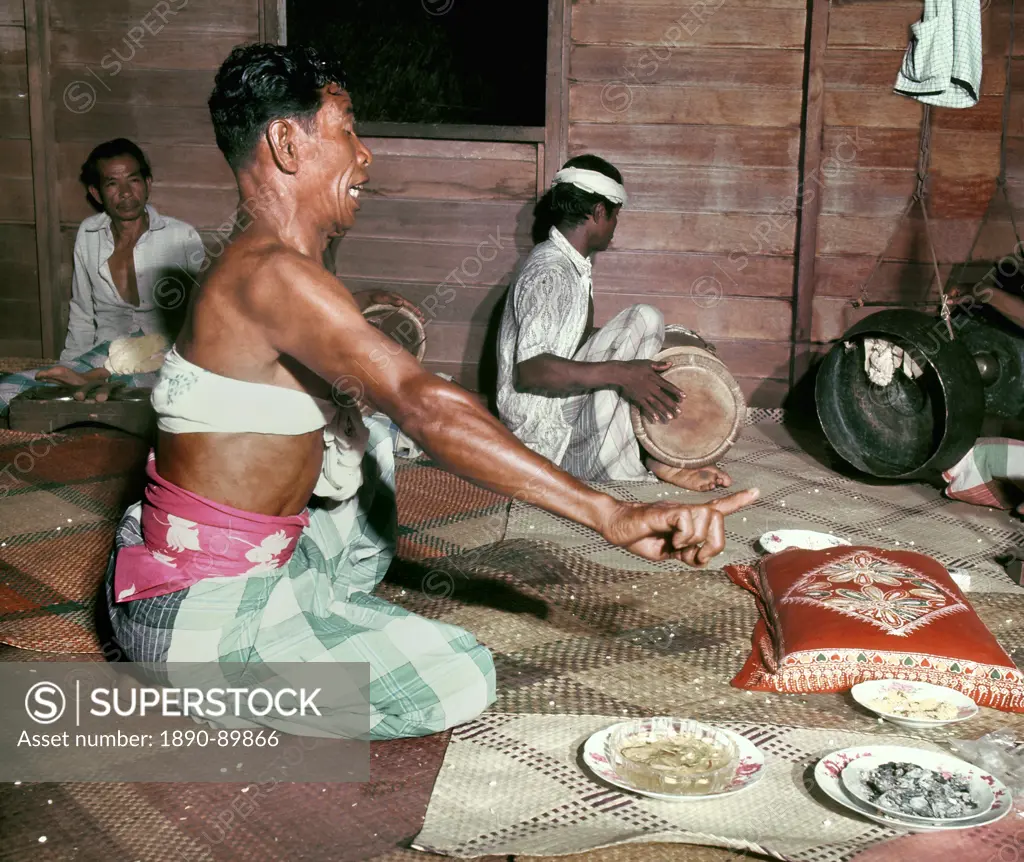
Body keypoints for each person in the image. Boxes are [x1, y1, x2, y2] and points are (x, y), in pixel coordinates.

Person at [102, 43, 759, 741]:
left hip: (233, 557)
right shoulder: (271, 274)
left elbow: (402, 399)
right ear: (288, 143)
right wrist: (610, 514)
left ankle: (311, 617)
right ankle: (224, 674)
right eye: (347, 127)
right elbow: (423, 402)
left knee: (372, 445)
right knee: (459, 672)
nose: (364, 156)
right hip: (195, 617)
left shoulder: (271, 266)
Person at [496, 155, 732, 493]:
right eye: (616, 216)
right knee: (643, 318)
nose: (616, 226)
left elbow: (571, 345)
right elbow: (531, 370)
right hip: (543, 444)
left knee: (647, 333)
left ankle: (649, 454)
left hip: (559, 423)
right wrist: (622, 372)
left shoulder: (569, 264)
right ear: (599, 212)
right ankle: (638, 461)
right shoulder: (550, 271)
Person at [0, 139, 205, 419]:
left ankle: (97, 385)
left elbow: (201, 317)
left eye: (133, 180)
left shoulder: (181, 236)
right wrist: (70, 366)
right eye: (112, 184)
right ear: (97, 193)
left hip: (162, 355)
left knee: (152, 392)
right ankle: (87, 382)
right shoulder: (88, 235)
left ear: (147, 183)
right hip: (106, 351)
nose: (125, 193)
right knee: (10, 390)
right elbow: (83, 312)